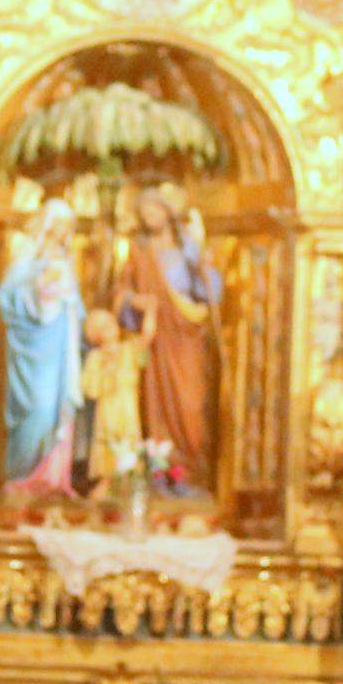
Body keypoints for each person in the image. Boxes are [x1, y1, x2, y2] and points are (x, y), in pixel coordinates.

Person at [116, 183, 221, 486]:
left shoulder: (188, 247)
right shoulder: (140, 252)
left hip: (186, 334)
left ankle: (189, 467)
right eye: (144, 211)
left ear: (168, 212)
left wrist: (206, 268)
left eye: (154, 209)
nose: (149, 216)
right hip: (155, 336)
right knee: (153, 400)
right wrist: (137, 302)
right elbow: (122, 293)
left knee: (190, 403)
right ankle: (159, 468)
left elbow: (209, 294)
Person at [0, 200, 85, 499]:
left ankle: (54, 480)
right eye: (60, 225)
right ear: (48, 224)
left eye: (69, 227)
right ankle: (23, 477)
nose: (64, 232)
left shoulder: (66, 260)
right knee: (38, 408)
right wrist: (37, 293)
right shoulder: (28, 255)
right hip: (32, 348)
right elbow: (6, 297)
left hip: (60, 347)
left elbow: (77, 309)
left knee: (58, 409)